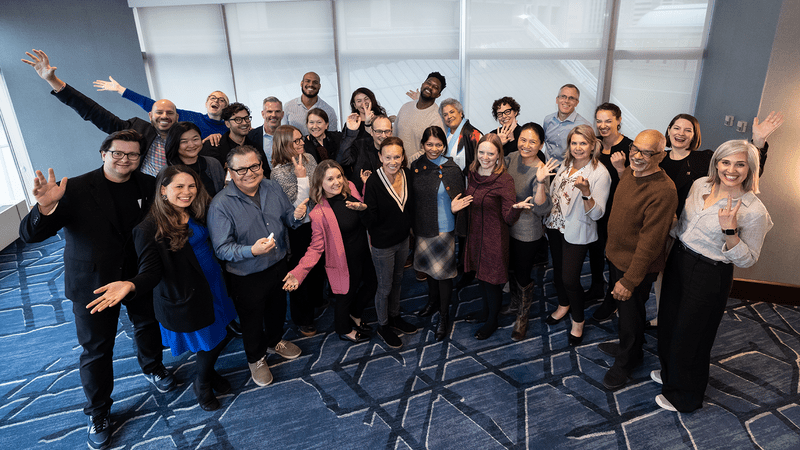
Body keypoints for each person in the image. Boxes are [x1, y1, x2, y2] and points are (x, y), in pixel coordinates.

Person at [18, 130, 175, 450]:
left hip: (135, 276)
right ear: (103, 153)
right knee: (97, 349)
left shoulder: (148, 185)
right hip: (92, 282)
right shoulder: (73, 188)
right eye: (118, 153)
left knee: (147, 325)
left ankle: (153, 368)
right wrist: (45, 208)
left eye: (133, 155)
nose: (126, 160)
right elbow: (30, 237)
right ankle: (98, 412)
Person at [91, 166, 238, 411]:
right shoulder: (148, 228)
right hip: (187, 295)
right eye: (179, 187)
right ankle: (202, 384)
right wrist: (131, 284)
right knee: (210, 341)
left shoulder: (197, 210)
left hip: (215, 285)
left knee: (222, 333)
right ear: (163, 191)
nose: (187, 192)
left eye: (191, 186)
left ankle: (209, 374)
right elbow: (150, 271)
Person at [654, 140, 773, 413]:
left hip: (710, 272)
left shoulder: (753, 210)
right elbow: (683, 225)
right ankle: (671, 373)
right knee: (669, 322)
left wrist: (730, 232)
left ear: (750, 169)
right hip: (680, 259)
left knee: (691, 335)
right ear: (716, 163)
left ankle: (685, 396)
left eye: (740, 164)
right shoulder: (700, 185)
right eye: (726, 162)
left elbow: (748, 259)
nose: (731, 170)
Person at [208, 145, 308, 387]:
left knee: (276, 309)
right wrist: (251, 250)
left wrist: (296, 216)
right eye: (241, 169)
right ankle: (256, 358)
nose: (249, 173)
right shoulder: (220, 204)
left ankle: (275, 342)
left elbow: (286, 217)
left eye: (254, 166)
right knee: (252, 321)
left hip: (278, 264)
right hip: (246, 274)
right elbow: (221, 249)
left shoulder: (272, 186)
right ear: (229, 171)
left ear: (261, 166)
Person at [597, 130, 678, 391]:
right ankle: (630, 350)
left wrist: (630, 280)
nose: (638, 156)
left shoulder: (664, 190)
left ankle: (626, 363)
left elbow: (651, 242)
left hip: (636, 266)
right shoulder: (631, 172)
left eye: (647, 152)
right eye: (635, 149)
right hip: (617, 257)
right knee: (628, 315)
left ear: (661, 156)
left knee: (631, 317)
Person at [23, 49, 178, 176]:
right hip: (148, 196)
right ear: (150, 115)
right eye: (159, 112)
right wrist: (53, 81)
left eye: (169, 113)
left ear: (177, 117)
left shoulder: (186, 138)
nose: (164, 116)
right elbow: (93, 112)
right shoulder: (136, 129)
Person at [283, 160, 378, 344]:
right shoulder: (319, 213)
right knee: (345, 296)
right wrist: (298, 272)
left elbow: (361, 207)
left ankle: (356, 314)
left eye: (339, 176)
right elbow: (316, 247)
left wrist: (364, 192)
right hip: (344, 261)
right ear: (320, 183)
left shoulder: (350, 187)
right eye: (330, 179)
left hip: (365, 253)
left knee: (372, 285)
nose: (337, 182)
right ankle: (344, 329)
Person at [452, 133, 531, 340]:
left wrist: (516, 209)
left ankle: (492, 320)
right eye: (481, 152)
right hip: (475, 233)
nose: (485, 157)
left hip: (494, 237)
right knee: (480, 275)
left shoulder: (504, 180)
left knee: (491, 281)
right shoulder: (473, 171)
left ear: (498, 156)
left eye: (490, 153)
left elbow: (508, 217)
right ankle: (485, 311)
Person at [543, 124, 611, 346]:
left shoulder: (600, 173)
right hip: (555, 225)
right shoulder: (566, 163)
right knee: (558, 273)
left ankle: (578, 321)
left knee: (570, 278)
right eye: (574, 143)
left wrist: (586, 193)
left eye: (583, 143)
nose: (578, 147)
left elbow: (598, 214)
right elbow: (556, 192)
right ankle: (564, 304)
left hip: (578, 230)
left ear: (593, 145)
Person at [410, 126, 466, 341]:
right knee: (429, 270)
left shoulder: (452, 168)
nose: (434, 149)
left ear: (444, 145)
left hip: (445, 228)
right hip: (424, 227)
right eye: (429, 144)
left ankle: (444, 315)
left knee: (443, 274)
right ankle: (432, 302)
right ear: (423, 145)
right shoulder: (416, 167)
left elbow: (460, 198)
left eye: (438, 144)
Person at [503, 123, 557, 341]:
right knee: (510, 268)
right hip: (506, 223)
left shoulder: (541, 169)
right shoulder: (512, 157)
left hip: (527, 231)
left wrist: (542, 182)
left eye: (532, 141)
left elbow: (543, 208)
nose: (526, 145)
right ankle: (514, 303)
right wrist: (500, 144)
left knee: (524, 274)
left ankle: (522, 317)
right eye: (523, 139)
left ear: (541, 145)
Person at [363, 137, 418, 348]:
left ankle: (394, 317)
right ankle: (383, 325)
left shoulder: (406, 175)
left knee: (398, 280)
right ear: (380, 157)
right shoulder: (374, 182)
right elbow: (371, 220)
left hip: (403, 240)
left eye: (397, 156)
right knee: (384, 287)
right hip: (383, 245)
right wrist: (362, 212)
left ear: (403, 157)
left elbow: (409, 207)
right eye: (388, 157)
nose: (393, 161)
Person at [270, 125, 323, 336]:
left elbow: (319, 188)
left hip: (318, 220)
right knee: (302, 271)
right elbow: (296, 207)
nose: (302, 143)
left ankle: (318, 300)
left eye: (302, 139)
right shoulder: (278, 172)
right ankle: (303, 319)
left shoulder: (309, 158)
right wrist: (301, 177)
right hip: (298, 228)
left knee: (318, 266)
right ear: (284, 145)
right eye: (296, 141)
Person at [589, 103, 632, 319]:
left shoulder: (630, 147)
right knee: (595, 251)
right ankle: (597, 286)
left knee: (613, 258)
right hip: (597, 209)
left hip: (619, 214)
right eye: (599, 121)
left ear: (618, 120)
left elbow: (635, 187)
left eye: (608, 120)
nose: (603, 125)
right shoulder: (595, 146)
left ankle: (611, 299)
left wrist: (621, 169)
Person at [93, 76, 229, 140]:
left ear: (226, 107)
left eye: (221, 100)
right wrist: (121, 90)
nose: (216, 100)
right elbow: (153, 105)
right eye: (212, 98)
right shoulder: (192, 117)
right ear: (206, 104)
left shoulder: (228, 128)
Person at [395, 72, 446, 161]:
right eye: (428, 83)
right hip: (395, 167)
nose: (430, 87)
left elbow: (433, 150)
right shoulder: (405, 107)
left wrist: (407, 164)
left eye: (435, 87)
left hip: (418, 171)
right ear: (423, 84)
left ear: (438, 95)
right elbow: (394, 135)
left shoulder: (437, 118)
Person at [165, 122, 225, 196]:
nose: (191, 145)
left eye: (195, 139)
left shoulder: (213, 163)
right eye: (184, 141)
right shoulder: (167, 171)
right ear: (174, 144)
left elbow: (223, 192)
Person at [339, 114, 393, 193]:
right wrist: (350, 134)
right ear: (371, 131)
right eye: (379, 131)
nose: (383, 135)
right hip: (361, 197)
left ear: (391, 132)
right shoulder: (360, 145)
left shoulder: (396, 149)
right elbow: (342, 160)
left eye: (387, 131)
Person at [200, 103, 260, 169]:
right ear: (227, 124)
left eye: (246, 118)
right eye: (238, 120)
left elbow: (265, 173)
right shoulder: (213, 147)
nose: (245, 123)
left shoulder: (256, 147)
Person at [543, 84, 591, 164]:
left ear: (576, 103)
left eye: (571, 98)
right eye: (563, 96)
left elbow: (586, 155)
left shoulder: (584, 126)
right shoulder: (547, 120)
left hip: (568, 173)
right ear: (557, 99)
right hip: (546, 170)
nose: (566, 101)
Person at [440, 98, 482, 172]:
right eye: (445, 115)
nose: (449, 116)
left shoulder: (474, 134)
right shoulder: (445, 134)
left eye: (452, 112)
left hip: (468, 181)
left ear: (460, 113)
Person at [248, 97, 285, 173]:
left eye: (277, 111)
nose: (273, 115)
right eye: (269, 111)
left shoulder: (291, 135)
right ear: (263, 114)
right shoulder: (250, 136)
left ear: (282, 114)